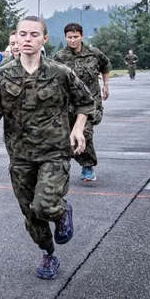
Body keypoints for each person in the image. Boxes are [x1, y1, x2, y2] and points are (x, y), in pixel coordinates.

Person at [0, 16, 94, 280]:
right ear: (16, 39)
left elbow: (86, 103)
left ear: (44, 39)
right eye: (22, 34)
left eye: (33, 34)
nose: (27, 39)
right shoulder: (1, 75)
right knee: (31, 214)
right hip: (20, 156)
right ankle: (48, 253)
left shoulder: (60, 72)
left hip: (54, 153)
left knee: (44, 206)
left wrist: (77, 129)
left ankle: (62, 211)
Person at [52, 23, 111, 183]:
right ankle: (64, 163)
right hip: (69, 102)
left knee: (85, 131)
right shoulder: (60, 56)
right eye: (70, 37)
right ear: (65, 38)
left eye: (76, 37)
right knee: (66, 133)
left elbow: (106, 67)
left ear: (82, 36)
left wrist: (106, 85)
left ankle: (87, 166)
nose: (73, 40)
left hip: (90, 102)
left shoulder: (94, 53)